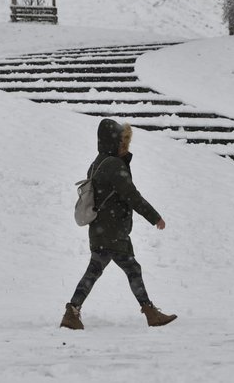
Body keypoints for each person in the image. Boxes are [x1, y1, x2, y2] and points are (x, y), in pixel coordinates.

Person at [60, 118, 177, 330]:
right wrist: (155, 217)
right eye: (122, 141)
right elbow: (132, 195)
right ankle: (150, 313)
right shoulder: (114, 165)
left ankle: (72, 311)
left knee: (96, 271)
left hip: (101, 229)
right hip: (113, 232)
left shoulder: (97, 163)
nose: (125, 145)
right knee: (132, 269)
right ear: (114, 140)